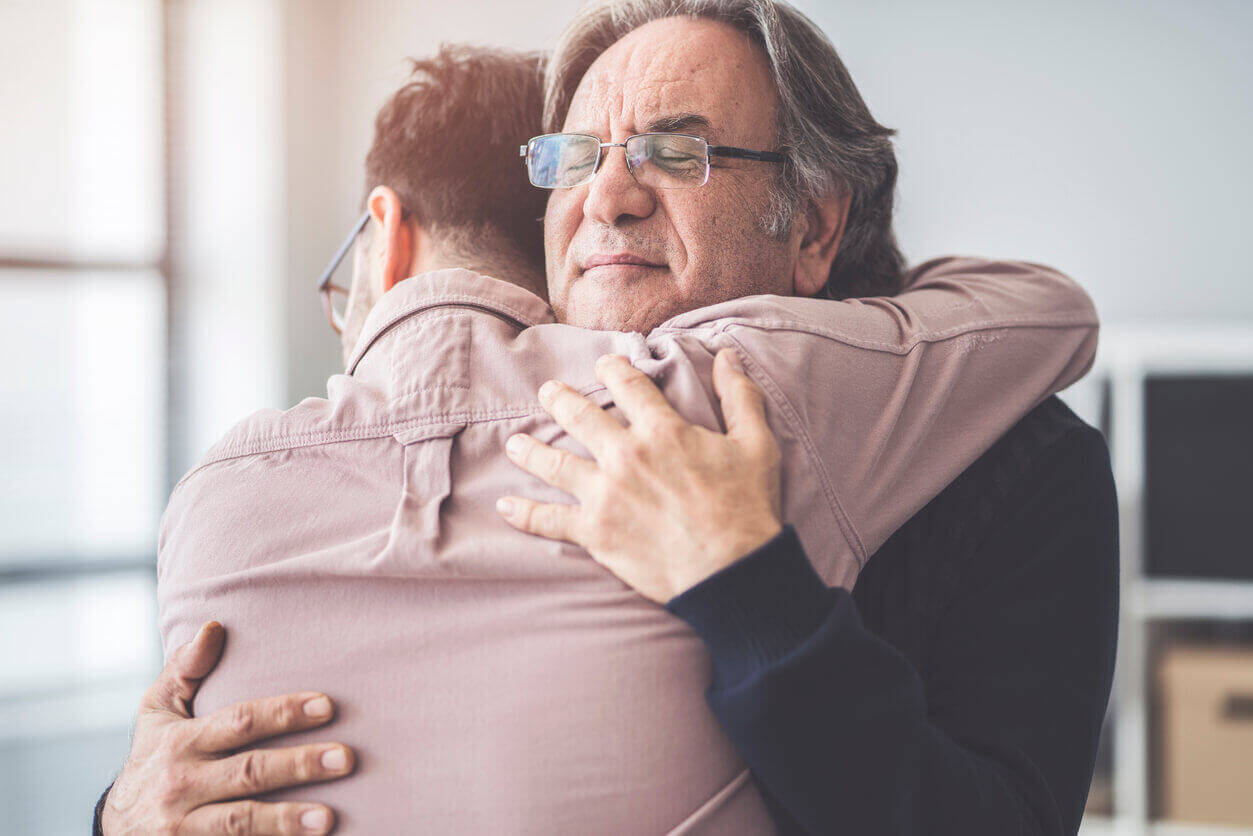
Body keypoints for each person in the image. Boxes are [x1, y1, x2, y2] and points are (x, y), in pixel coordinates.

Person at [99, 9, 1113, 835]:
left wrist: (746, 585)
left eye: (676, 152)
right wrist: (123, 810)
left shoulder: (1014, 458)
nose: (609, 196)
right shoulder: (452, 451)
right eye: (574, 157)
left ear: (810, 225)